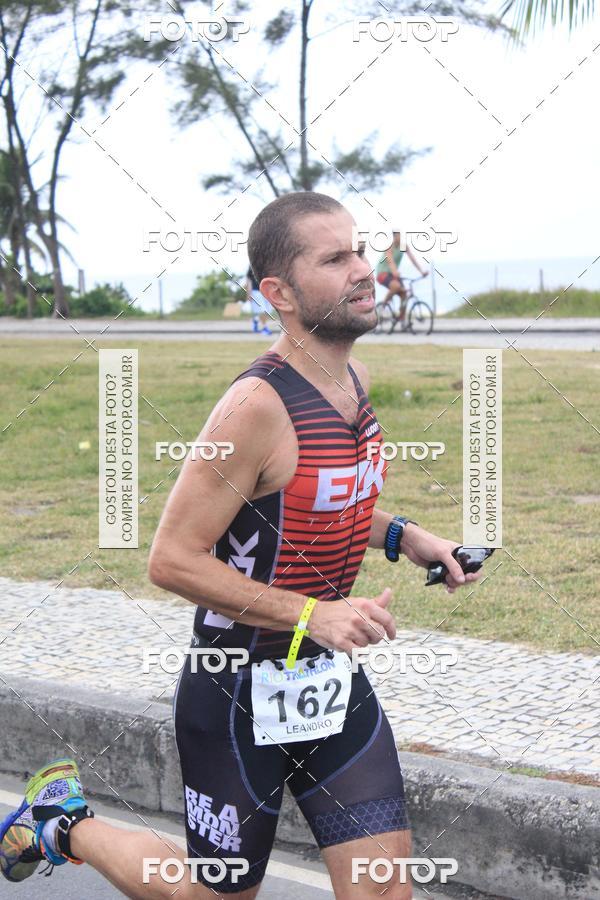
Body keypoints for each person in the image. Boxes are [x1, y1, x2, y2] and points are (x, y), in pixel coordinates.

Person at [1, 192, 481, 899]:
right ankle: (62, 823)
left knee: (384, 889)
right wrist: (311, 613)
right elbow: (170, 558)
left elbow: (314, 500)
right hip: (236, 689)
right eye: (336, 257)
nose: (363, 270)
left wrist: (408, 536)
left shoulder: (354, 381)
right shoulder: (253, 408)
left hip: (327, 682)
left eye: (359, 249)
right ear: (278, 293)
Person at [376, 231, 428, 329]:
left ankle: (402, 320)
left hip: (394, 274)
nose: (398, 237)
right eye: (396, 235)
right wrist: (395, 271)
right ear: (394, 236)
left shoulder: (404, 246)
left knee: (404, 294)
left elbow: (413, 259)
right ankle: (382, 308)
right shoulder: (389, 248)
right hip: (382, 273)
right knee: (395, 286)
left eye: (399, 235)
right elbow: (390, 261)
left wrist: (422, 272)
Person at [245, 265, 274, 335]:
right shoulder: (252, 264)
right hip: (256, 291)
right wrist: (249, 293)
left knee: (268, 311)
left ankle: (256, 319)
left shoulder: (270, 263)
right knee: (262, 310)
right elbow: (249, 279)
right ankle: (264, 328)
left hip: (267, 291)